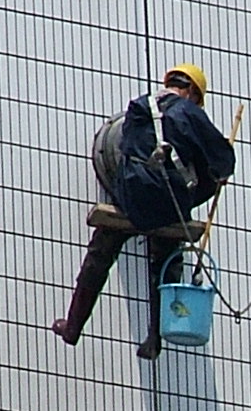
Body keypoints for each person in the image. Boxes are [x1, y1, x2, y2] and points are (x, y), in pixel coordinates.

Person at [52, 63, 236, 359]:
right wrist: (212, 178)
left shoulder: (139, 106)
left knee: (99, 255)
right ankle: (154, 338)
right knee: (166, 261)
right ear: (191, 92)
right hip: (167, 206)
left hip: (129, 198)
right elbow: (224, 161)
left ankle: (73, 326)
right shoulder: (190, 113)